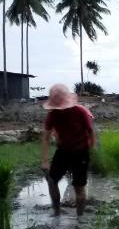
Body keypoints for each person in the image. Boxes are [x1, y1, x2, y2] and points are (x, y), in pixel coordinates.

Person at [41, 83, 96, 217]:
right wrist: (45, 160)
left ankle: (80, 217)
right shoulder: (52, 115)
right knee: (52, 180)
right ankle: (57, 212)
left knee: (79, 186)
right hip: (63, 151)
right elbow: (46, 138)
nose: (61, 109)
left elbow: (91, 132)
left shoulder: (81, 112)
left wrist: (91, 150)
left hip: (81, 151)